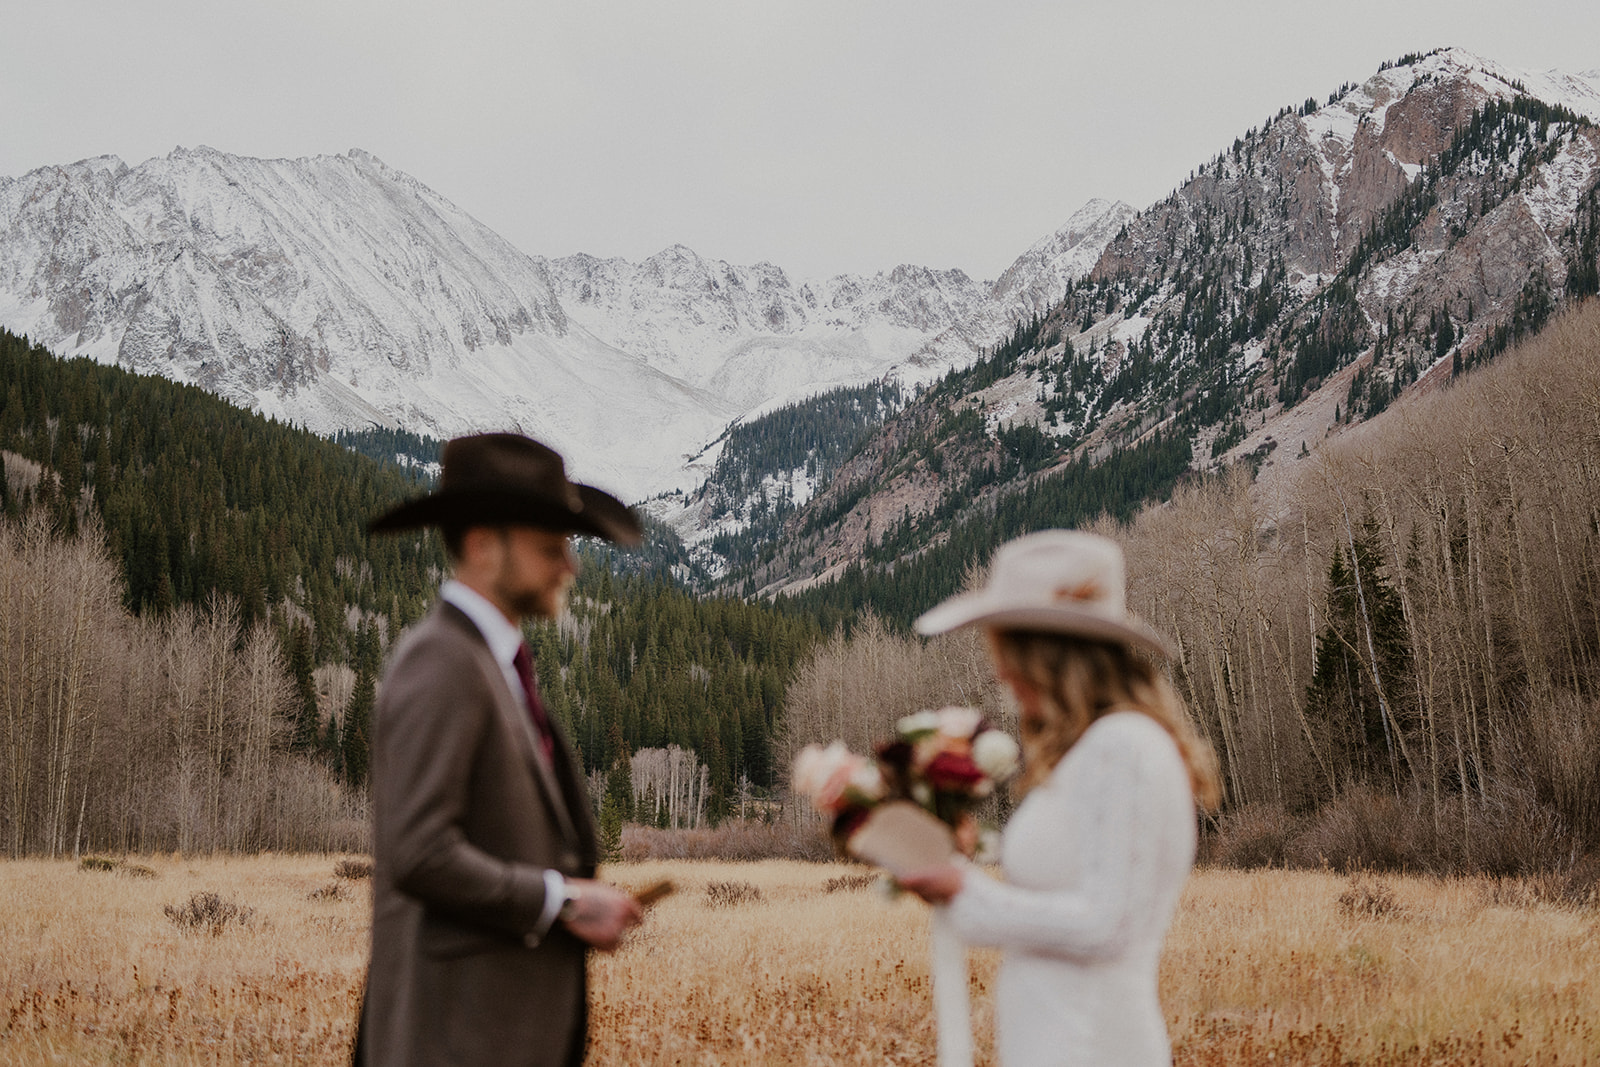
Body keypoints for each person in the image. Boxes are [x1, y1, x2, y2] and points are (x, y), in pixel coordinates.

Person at [357, 432, 645, 1067]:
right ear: (484, 546)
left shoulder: (490, 661)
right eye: (550, 547)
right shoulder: (441, 662)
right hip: (452, 1041)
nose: (569, 566)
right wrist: (563, 899)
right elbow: (421, 851)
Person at [898, 529, 1221, 1067]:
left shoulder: (1124, 746)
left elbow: (1108, 922)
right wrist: (970, 855)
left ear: (1042, 653)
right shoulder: (1099, 750)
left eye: (1004, 647)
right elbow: (1078, 877)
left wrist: (964, 891)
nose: (999, 670)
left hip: (1090, 1046)